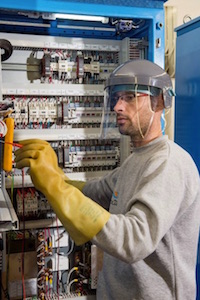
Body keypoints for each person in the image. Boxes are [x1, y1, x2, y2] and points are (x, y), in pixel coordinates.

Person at [15, 59, 200, 300]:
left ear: (160, 101)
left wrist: (56, 186)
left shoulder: (168, 164)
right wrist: (54, 173)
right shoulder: (137, 160)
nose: (118, 107)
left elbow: (133, 239)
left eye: (130, 98)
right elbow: (95, 192)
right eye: (116, 98)